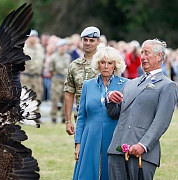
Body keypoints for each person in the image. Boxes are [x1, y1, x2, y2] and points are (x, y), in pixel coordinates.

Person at [106, 39, 178, 180]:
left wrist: (143, 145)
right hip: (117, 150)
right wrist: (110, 99)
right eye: (142, 53)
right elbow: (114, 114)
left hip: (141, 155)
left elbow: (161, 122)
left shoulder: (167, 86)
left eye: (147, 53)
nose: (142, 57)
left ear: (159, 56)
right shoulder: (130, 84)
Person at [72, 46, 127, 180]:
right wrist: (78, 143)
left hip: (114, 136)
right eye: (102, 62)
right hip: (90, 137)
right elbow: (81, 117)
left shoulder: (125, 84)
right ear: (97, 64)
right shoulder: (88, 85)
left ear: (116, 65)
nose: (106, 66)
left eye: (110, 63)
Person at [64, 26, 101, 135]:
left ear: (98, 42)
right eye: (85, 40)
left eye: (92, 40)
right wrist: (68, 120)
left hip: (101, 116)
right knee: (80, 150)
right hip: (81, 116)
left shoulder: (105, 62)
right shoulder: (74, 65)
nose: (88, 43)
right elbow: (69, 93)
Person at [48, 39, 71, 123]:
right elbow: (50, 70)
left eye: (64, 46)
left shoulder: (68, 57)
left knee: (65, 99)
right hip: (56, 80)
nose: (63, 48)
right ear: (58, 47)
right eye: (61, 46)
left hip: (65, 80)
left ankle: (64, 117)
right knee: (55, 99)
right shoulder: (53, 57)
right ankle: (53, 117)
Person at [21, 29, 45, 101]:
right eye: (32, 36)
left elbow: (42, 61)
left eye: (35, 36)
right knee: (25, 97)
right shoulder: (23, 49)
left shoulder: (40, 48)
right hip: (26, 77)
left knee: (38, 97)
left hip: (37, 77)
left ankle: (36, 112)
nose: (34, 38)